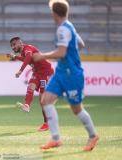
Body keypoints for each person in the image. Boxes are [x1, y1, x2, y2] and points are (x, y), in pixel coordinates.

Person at [33, 0, 99, 151]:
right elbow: (81, 44)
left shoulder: (63, 29)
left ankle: (93, 135)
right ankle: (55, 138)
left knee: (76, 109)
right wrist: (72, 53)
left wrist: (42, 56)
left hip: (71, 74)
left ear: (54, 13)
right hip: (61, 72)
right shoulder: (70, 27)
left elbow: (61, 53)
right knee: (46, 100)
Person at [7, 37, 54, 131]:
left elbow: (28, 57)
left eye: (14, 44)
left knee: (43, 102)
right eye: (11, 45)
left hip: (46, 72)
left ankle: (47, 123)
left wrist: (20, 71)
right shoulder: (24, 51)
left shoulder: (27, 48)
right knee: (30, 86)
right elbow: (25, 58)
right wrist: (15, 57)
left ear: (20, 43)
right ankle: (27, 105)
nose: (12, 47)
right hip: (37, 72)